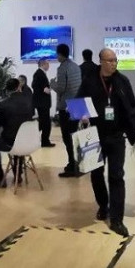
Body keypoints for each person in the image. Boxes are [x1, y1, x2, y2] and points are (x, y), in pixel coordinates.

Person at [77, 48, 135, 237]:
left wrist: (131, 127)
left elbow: (132, 104)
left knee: (116, 176)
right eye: (110, 60)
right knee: (96, 174)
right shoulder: (90, 80)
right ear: (101, 61)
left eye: (115, 60)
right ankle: (103, 205)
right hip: (94, 135)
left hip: (117, 135)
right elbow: (78, 102)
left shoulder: (122, 81)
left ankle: (117, 219)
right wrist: (83, 115)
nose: (113, 64)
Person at [0, 78, 34, 187]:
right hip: (29, 141)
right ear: (19, 87)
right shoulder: (29, 101)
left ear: (7, 90)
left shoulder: (4, 104)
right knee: (17, 140)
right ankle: (18, 174)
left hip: (10, 141)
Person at [52, 43, 82, 177]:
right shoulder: (76, 66)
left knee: (67, 137)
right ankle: (79, 163)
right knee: (76, 135)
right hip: (78, 104)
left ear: (60, 54)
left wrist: (52, 84)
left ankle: (72, 165)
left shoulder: (62, 68)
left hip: (67, 106)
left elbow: (61, 88)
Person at [32, 59, 55, 148]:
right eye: (47, 64)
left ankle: (42, 140)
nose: (49, 66)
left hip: (42, 103)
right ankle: (45, 141)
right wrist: (45, 89)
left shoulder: (40, 73)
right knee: (46, 123)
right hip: (42, 103)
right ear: (43, 64)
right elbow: (35, 86)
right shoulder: (39, 74)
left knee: (43, 122)